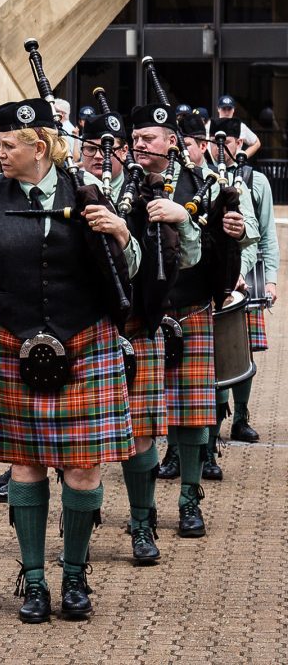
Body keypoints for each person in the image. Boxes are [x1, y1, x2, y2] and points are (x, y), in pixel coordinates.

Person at [0, 98, 141, 624]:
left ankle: (74, 577)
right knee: (24, 465)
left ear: (38, 146)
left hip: (84, 341)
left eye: (6, 145)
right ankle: (34, 580)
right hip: (9, 339)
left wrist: (119, 231)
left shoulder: (90, 193)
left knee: (84, 467)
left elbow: (130, 269)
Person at [79, 111, 200, 564]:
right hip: (84, 328)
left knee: (144, 435)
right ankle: (81, 526)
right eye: (92, 148)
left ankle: (143, 525)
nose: (100, 156)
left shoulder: (150, 192)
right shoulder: (71, 191)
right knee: (81, 440)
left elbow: (185, 257)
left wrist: (181, 221)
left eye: (109, 148)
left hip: (137, 323)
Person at [131, 104, 256, 538]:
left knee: (191, 414)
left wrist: (233, 235)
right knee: (142, 417)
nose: (139, 143)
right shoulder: (120, 185)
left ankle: (189, 500)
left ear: (172, 141)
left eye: (149, 137)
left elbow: (224, 242)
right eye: (136, 137)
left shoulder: (205, 186)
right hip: (142, 316)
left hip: (191, 308)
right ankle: (141, 512)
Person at [208, 118, 277, 461]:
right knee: (215, 351)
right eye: (214, 141)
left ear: (239, 143)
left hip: (244, 279)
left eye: (229, 141)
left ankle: (242, 416)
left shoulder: (257, 181)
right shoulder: (198, 179)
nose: (223, 148)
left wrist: (268, 277)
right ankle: (216, 418)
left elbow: (264, 235)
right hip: (212, 280)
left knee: (244, 348)